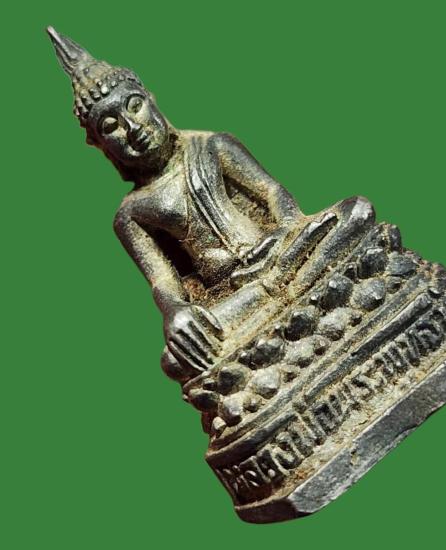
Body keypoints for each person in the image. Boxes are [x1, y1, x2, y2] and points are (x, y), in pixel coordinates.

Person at [48, 27, 374, 382]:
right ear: (100, 145)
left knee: (356, 212)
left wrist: (286, 229)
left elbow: (271, 193)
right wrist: (174, 312)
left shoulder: (212, 145)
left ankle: (285, 309)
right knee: (176, 359)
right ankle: (302, 299)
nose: (132, 127)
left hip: (281, 253)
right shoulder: (131, 214)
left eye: (135, 106)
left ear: (151, 100)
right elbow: (162, 280)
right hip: (237, 293)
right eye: (110, 126)